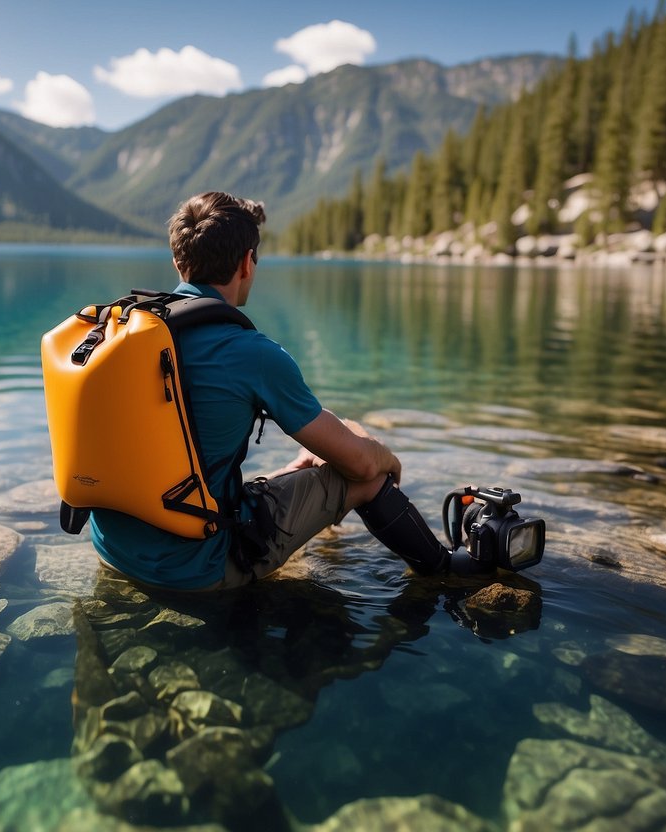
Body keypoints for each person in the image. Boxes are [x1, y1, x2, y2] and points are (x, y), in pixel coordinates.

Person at [90, 191, 451, 590]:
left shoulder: (124, 334)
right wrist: (385, 455)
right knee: (365, 475)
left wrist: (292, 475)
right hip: (196, 567)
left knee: (303, 464)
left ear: (178, 263)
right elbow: (363, 466)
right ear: (247, 262)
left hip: (113, 548)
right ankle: (445, 573)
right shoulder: (251, 353)